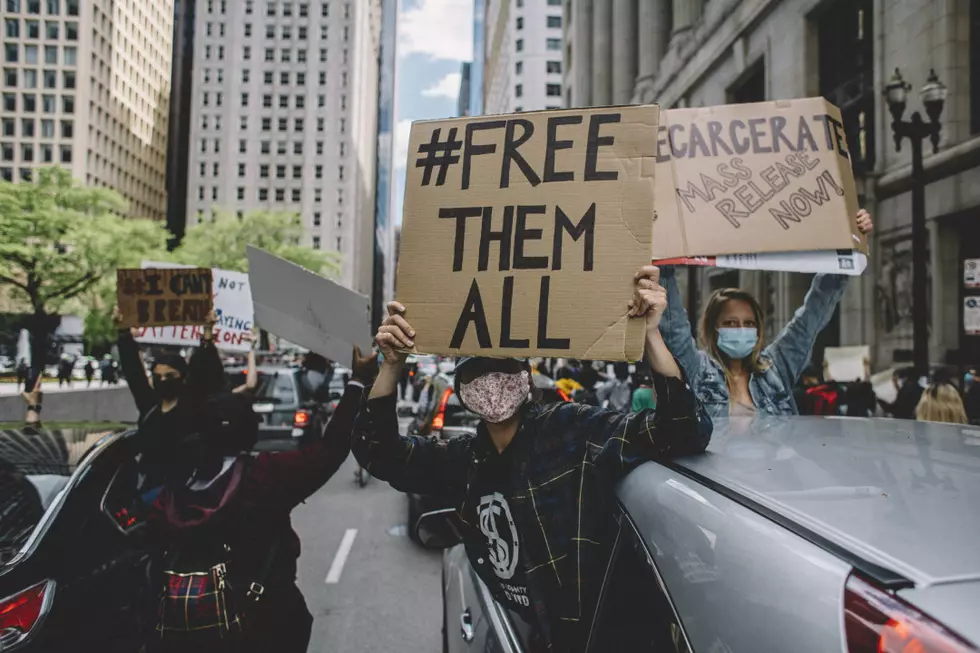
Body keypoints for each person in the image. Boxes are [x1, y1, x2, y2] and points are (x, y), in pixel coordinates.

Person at [352, 266, 711, 653]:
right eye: (478, 370)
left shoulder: (573, 430)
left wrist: (651, 336)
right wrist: (391, 364)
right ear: (461, 388)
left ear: (525, 376)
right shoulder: (464, 461)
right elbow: (380, 452)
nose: (493, 381)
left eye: (504, 367)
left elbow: (683, 431)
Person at [143, 346, 376, 653]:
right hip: (267, 622)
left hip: (187, 628)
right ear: (249, 431)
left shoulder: (174, 489)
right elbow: (330, 451)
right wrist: (358, 381)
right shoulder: (265, 477)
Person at [659, 210, 874, 418]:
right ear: (713, 328)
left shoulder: (776, 368)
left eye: (749, 323)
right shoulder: (698, 370)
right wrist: (659, 245)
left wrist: (849, 240)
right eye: (731, 323)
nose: (741, 329)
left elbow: (814, 311)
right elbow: (673, 324)